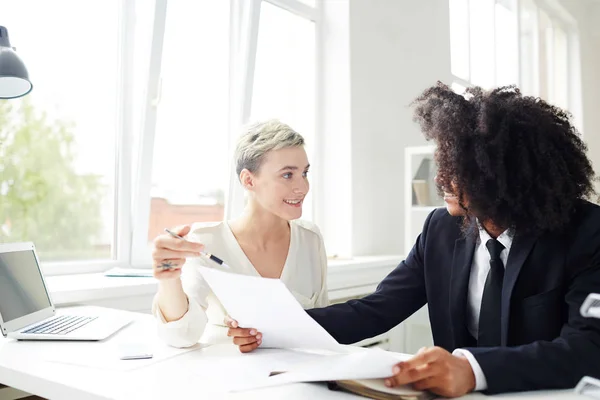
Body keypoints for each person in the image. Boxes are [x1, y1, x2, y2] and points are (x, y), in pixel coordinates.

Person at [228, 83, 600, 397]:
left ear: (503, 174)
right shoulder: (441, 229)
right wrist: (273, 330)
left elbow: (589, 347)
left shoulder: (586, 232)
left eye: (456, 166)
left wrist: (471, 370)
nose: (440, 179)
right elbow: (377, 309)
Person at [151, 119, 329, 350]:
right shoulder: (206, 241)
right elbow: (182, 336)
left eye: (304, 173)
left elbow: (323, 326)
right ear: (248, 180)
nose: (302, 187)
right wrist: (169, 279)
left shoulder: (310, 239)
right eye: (287, 175)